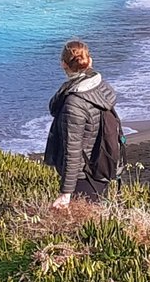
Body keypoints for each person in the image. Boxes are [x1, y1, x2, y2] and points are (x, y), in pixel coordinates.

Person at [43, 39, 118, 209]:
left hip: (83, 175)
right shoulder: (101, 87)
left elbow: (72, 150)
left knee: (82, 227)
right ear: (89, 61)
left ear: (63, 64)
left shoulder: (73, 103)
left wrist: (66, 193)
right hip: (102, 165)